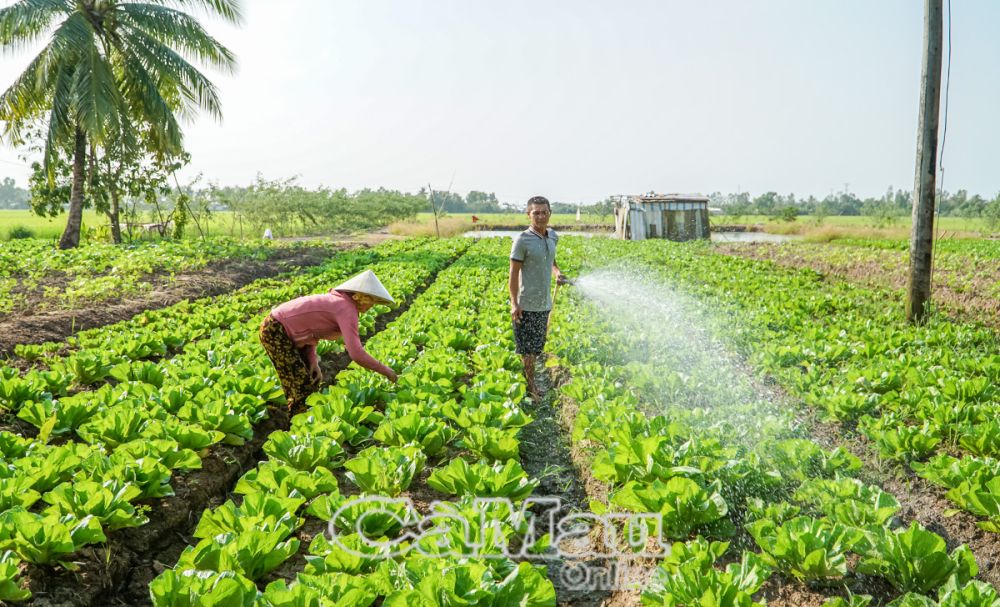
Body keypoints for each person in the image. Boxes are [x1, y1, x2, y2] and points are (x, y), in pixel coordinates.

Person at [259, 269, 398, 413]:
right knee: (301, 387)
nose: (371, 306)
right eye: (371, 301)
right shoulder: (345, 308)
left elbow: (310, 331)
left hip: (283, 330)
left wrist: (313, 362)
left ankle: (304, 420)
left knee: (310, 380)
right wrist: (387, 371)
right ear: (358, 297)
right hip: (276, 330)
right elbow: (356, 353)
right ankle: (296, 426)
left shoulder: (341, 304)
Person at [509, 196, 567, 399]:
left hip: (544, 304)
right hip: (526, 304)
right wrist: (514, 303)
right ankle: (530, 388)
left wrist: (557, 272)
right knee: (527, 352)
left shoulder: (552, 236)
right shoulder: (522, 240)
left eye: (544, 212)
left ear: (550, 213)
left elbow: (551, 260)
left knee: (535, 347)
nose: (541, 216)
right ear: (528, 215)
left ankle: (528, 383)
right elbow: (513, 273)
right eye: (536, 213)